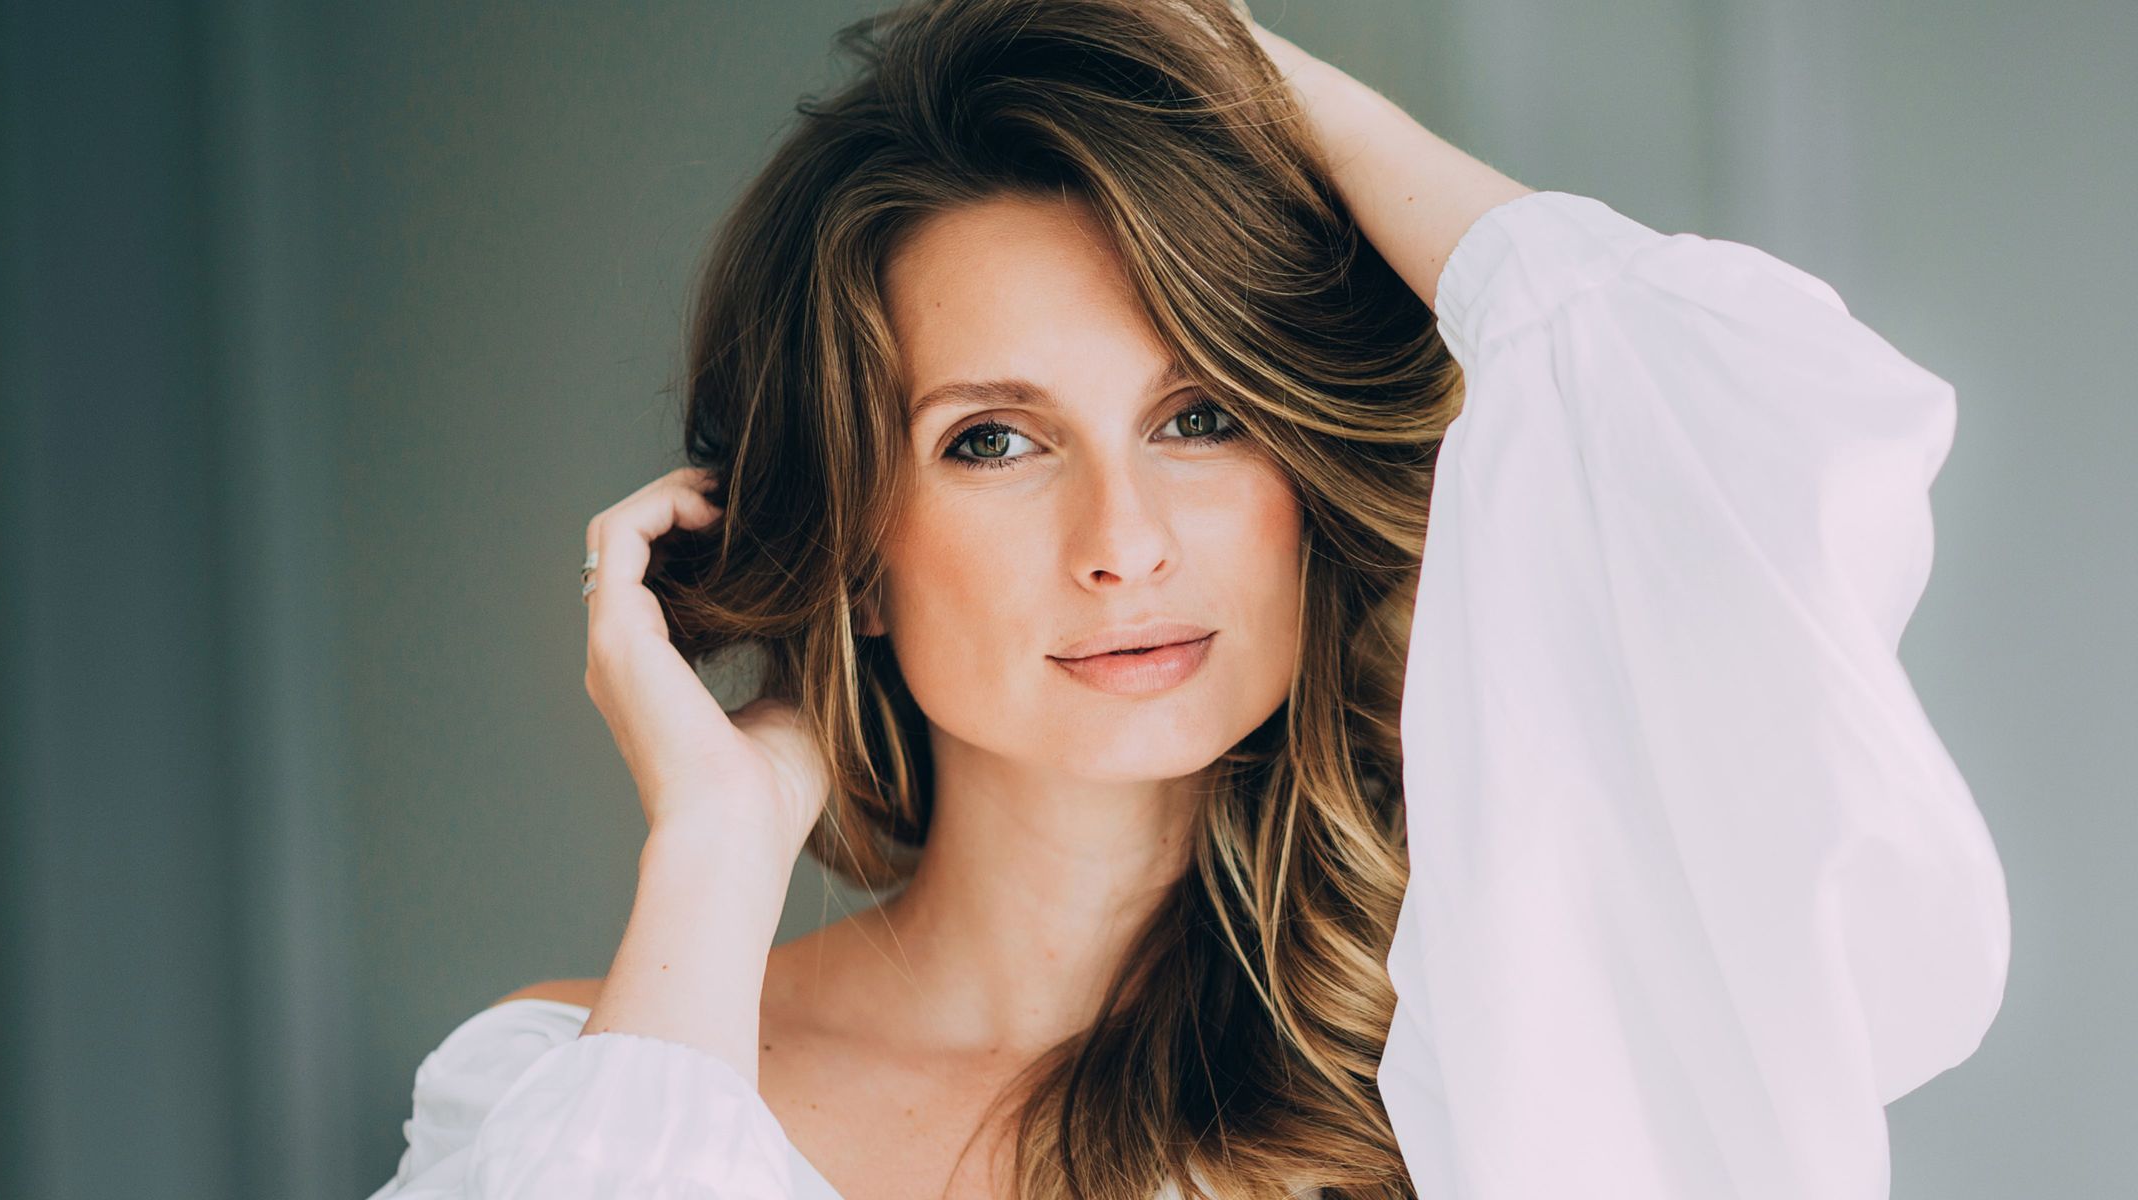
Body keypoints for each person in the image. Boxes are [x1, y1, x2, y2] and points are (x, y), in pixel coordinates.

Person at [366, 1, 2011, 1197]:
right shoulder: (568, 1081)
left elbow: (1750, 437)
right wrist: (715, 855)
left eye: (1203, 414)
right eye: (993, 439)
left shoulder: (1511, 1051)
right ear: (855, 541)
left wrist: (1248, 73)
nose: (1126, 540)